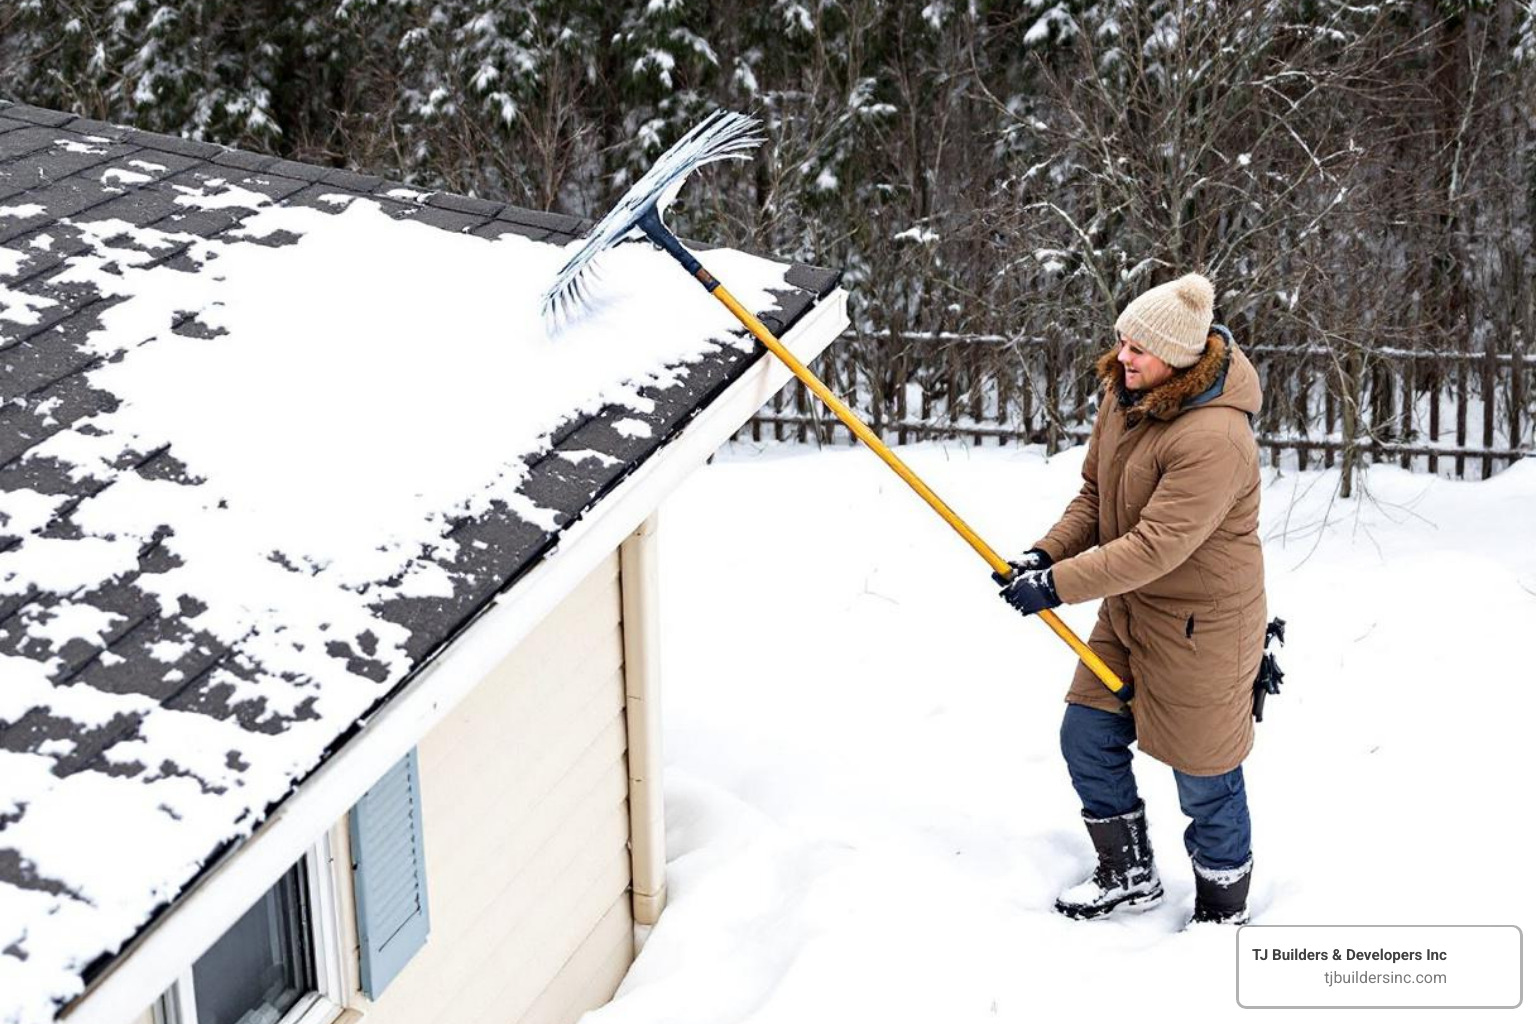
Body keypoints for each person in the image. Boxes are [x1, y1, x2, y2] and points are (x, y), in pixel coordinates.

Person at [998, 272, 1265, 926]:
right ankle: (1129, 871)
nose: (1123, 357)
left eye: (1138, 348)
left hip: (1202, 627)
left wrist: (1057, 588)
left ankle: (1221, 908)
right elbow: (1096, 496)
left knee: (1204, 776)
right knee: (1086, 733)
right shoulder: (1125, 398)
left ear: (1176, 355)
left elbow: (1155, 546)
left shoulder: (1215, 437)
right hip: (1131, 609)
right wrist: (1046, 555)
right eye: (1121, 340)